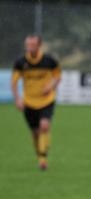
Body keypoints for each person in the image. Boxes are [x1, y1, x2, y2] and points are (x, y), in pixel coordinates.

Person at [11, 34, 61, 170]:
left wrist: (50, 86)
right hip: (29, 102)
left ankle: (43, 159)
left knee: (44, 126)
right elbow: (14, 82)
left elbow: (57, 76)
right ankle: (40, 154)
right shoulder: (20, 63)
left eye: (32, 45)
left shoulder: (49, 61)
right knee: (35, 133)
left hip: (46, 100)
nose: (29, 48)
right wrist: (18, 99)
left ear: (39, 45)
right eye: (27, 45)